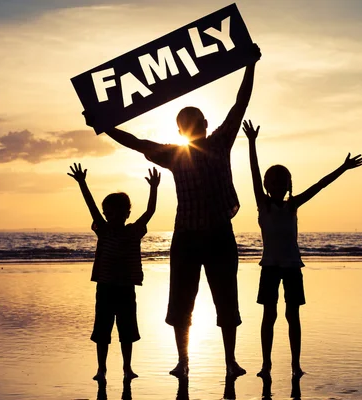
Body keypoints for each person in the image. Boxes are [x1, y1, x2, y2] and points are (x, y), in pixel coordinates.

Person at [82, 43, 261, 378]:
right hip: (187, 237)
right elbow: (137, 143)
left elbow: (240, 104)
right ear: (180, 130)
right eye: (186, 123)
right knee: (182, 302)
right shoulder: (174, 155)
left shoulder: (221, 141)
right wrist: (104, 124)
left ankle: (230, 361)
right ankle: (183, 360)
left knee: (226, 299)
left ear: (205, 123)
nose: (192, 126)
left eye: (195, 121)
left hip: (220, 233)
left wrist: (250, 65)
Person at [242, 119, 362, 379]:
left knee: (292, 315)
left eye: (282, 182)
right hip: (269, 267)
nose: (277, 185)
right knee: (269, 315)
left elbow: (320, 185)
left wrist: (343, 167)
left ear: (288, 185)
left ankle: (295, 365)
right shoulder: (263, 205)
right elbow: (254, 173)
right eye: (273, 182)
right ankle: (266, 365)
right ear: (267, 186)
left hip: (293, 266)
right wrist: (252, 143)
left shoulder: (293, 205)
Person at [67, 163, 161, 385]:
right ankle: (101, 369)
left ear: (127, 213)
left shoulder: (133, 231)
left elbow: (150, 212)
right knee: (102, 331)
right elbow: (91, 207)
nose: (110, 215)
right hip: (106, 287)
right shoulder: (104, 229)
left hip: (126, 288)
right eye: (107, 212)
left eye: (115, 211)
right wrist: (82, 183)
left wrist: (154, 188)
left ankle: (128, 368)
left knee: (127, 331)